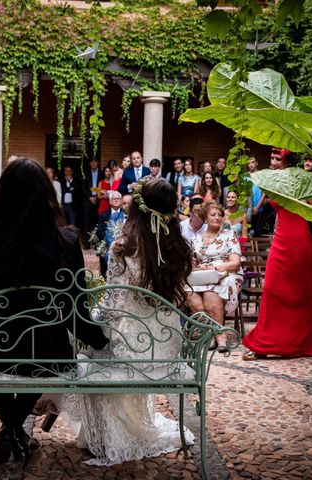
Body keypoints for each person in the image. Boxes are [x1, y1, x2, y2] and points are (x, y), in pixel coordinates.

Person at [0, 158, 108, 463]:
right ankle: (13, 430)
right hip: (44, 353)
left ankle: (9, 431)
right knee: (47, 355)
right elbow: (76, 308)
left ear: (3, 192)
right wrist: (99, 340)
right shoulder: (67, 239)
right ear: (48, 195)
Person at [72, 178, 195, 466]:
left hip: (131, 349)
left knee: (89, 354)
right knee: (98, 348)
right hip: (164, 347)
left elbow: (114, 307)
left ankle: (103, 436)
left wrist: (92, 320)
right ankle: (112, 431)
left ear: (138, 210)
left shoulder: (122, 248)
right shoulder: (178, 247)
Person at [242, 149, 312, 361]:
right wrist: (274, 236)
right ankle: (267, 341)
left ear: (286, 161)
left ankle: (305, 339)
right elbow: (281, 212)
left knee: (303, 293)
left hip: (300, 241)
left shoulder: (299, 179)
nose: (272, 162)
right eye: (271, 158)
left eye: (277, 159)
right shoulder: (272, 179)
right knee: (271, 288)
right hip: (280, 240)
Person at [186, 201, 243, 353]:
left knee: (210, 292)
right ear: (205, 218)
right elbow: (192, 265)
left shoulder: (229, 235)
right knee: (189, 293)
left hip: (226, 273)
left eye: (219, 215)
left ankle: (220, 336)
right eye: (213, 215)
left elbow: (235, 263)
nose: (217, 217)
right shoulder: (196, 240)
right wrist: (201, 268)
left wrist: (215, 268)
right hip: (203, 275)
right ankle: (210, 332)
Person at [83, 158, 101, 247]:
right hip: (88, 201)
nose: (93, 163)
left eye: (95, 161)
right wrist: (90, 197)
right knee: (87, 222)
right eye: (91, 162)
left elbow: (102, 186)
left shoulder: (101, 173)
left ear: (98, 163)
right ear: (90, 163)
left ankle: (96, 242)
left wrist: (96, 197)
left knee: (97, 221)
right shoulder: (85, 173)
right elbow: (83, 187)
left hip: (99, 200)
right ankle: (86, 243)